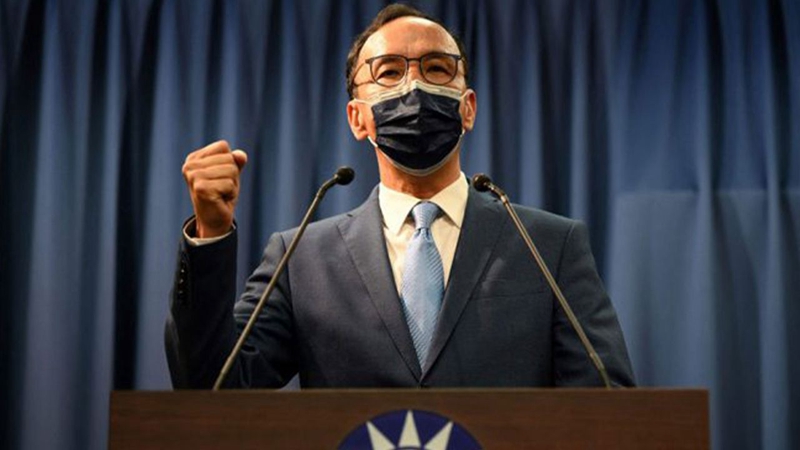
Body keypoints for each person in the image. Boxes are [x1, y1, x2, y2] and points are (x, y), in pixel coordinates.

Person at [165, 4, 635, 389]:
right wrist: (212, 231)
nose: (414, 86)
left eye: (436, 68)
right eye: (389, 72)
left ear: (468, 109)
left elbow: (607, 407)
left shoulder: (550, 247)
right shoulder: (301, 258)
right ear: (357, 118)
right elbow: (212, 385)